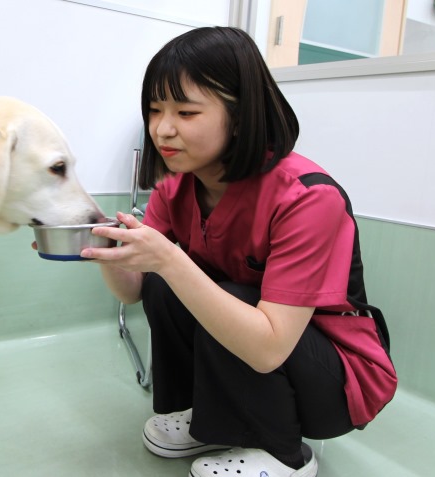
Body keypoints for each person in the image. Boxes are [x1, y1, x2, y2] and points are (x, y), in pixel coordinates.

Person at [81, 27, 397, 477]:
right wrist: (104, 248)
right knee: (166, 285)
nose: (162, 129)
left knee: (220, 290)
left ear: (241, 113)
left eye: (186, 112)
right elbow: (134, 292)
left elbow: (269, 348)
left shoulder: (307, 197)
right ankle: (205, 418)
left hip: (335, 379)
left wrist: (169, 259)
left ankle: (284, 455)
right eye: (154, 110)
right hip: (258, 353)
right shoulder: (177, 185)